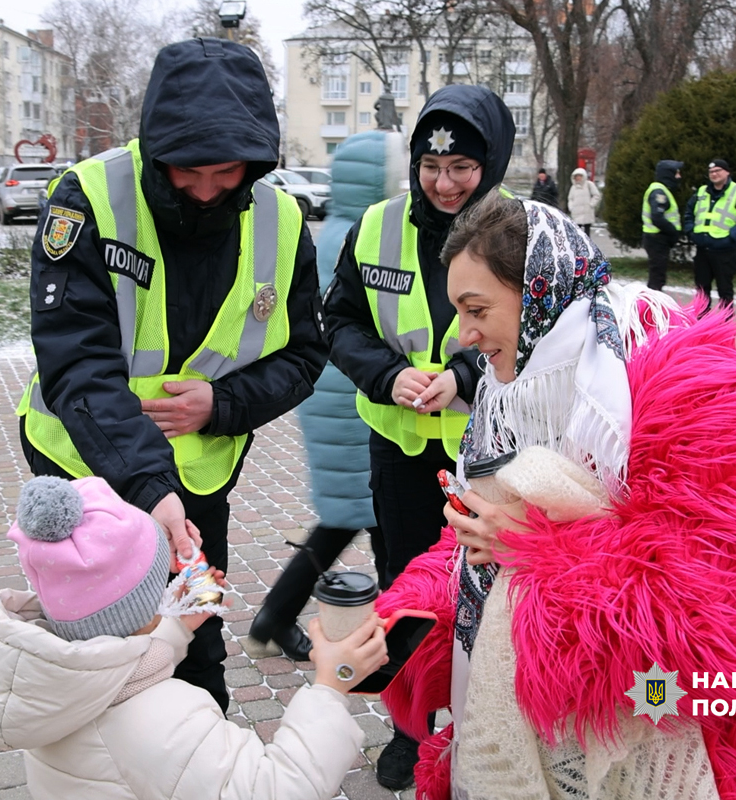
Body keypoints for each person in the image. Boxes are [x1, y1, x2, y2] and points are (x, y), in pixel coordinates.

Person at [373, 192, 736, 799]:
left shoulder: (707, 392)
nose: (462, 334)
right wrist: (402, 617)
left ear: (538, 293)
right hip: (586, 740)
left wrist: (536, 550)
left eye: (476, 308)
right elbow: (474, 553)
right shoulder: (518, 399)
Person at [15, 38, 328, 715]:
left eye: (228, 173)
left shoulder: (282, 220)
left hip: (199, 483)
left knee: (195, 636)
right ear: (158, 149)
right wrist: (148, 486)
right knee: (96, 651)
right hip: (87, 470)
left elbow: (306, 355)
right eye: (189, 172)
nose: (209, 190)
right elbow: (75, 361)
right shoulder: (88, 199)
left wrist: (222, 403)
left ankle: (200, 758)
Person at [323, 83, 515, 790]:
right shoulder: (374, 226)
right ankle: (410, 727)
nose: (443, 182)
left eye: (462, 167)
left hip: (491, 454)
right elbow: (337, 321)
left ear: (490, 164)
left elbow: (544, 332)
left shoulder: (518, 234)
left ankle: (481, 726)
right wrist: (386, 374)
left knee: (489, 593)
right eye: (431, 167)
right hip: (401, 452)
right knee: (406, 591)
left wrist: (464, 374)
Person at [0, 476, 388, 800]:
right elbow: (277, 788)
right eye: (158, 583)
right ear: (145, 600)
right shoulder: (166, 721)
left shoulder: (51, 681)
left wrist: (179, 624)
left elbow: (119, 672)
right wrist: (331, 686)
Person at [250, 128, 407, 661]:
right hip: (355, 404)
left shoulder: (342, 230)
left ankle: (389, 620)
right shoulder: (365, 237)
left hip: (336, 399)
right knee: (363, 515)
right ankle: (283, 614)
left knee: (360, 515)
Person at [684, 158, 736, 312]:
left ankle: (725, 324)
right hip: (703, 249)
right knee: (702, 290)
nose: (714, 174)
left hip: (724, 250)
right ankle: (701, 322)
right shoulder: (701, 192)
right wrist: (691, 232)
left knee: (725, 290)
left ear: (727, 172)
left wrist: (731, 237)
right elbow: (689, 213)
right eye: (711, 172)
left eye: (718, 171)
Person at [641, 159, 683, 291]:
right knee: (657, 278)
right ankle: (652, 307)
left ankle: (653, 304)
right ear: (667, 174)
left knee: (658, 276)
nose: (679, 177)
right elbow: (657, 217)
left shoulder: (662, 190)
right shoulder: (659, 192)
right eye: (676, 173)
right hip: (657, 239)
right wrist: (673, 232)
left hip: (657, 239)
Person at [566, 166, 601, 235]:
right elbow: (570, 199)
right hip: (576, 213)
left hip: (587, 212)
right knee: (577, 233)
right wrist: (571, 208)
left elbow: (596, 195)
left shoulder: (589, 184)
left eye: (580, 176)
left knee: (587, 233)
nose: (578, 178)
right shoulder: (573, 187)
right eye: (576, 176)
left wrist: (591, 204)